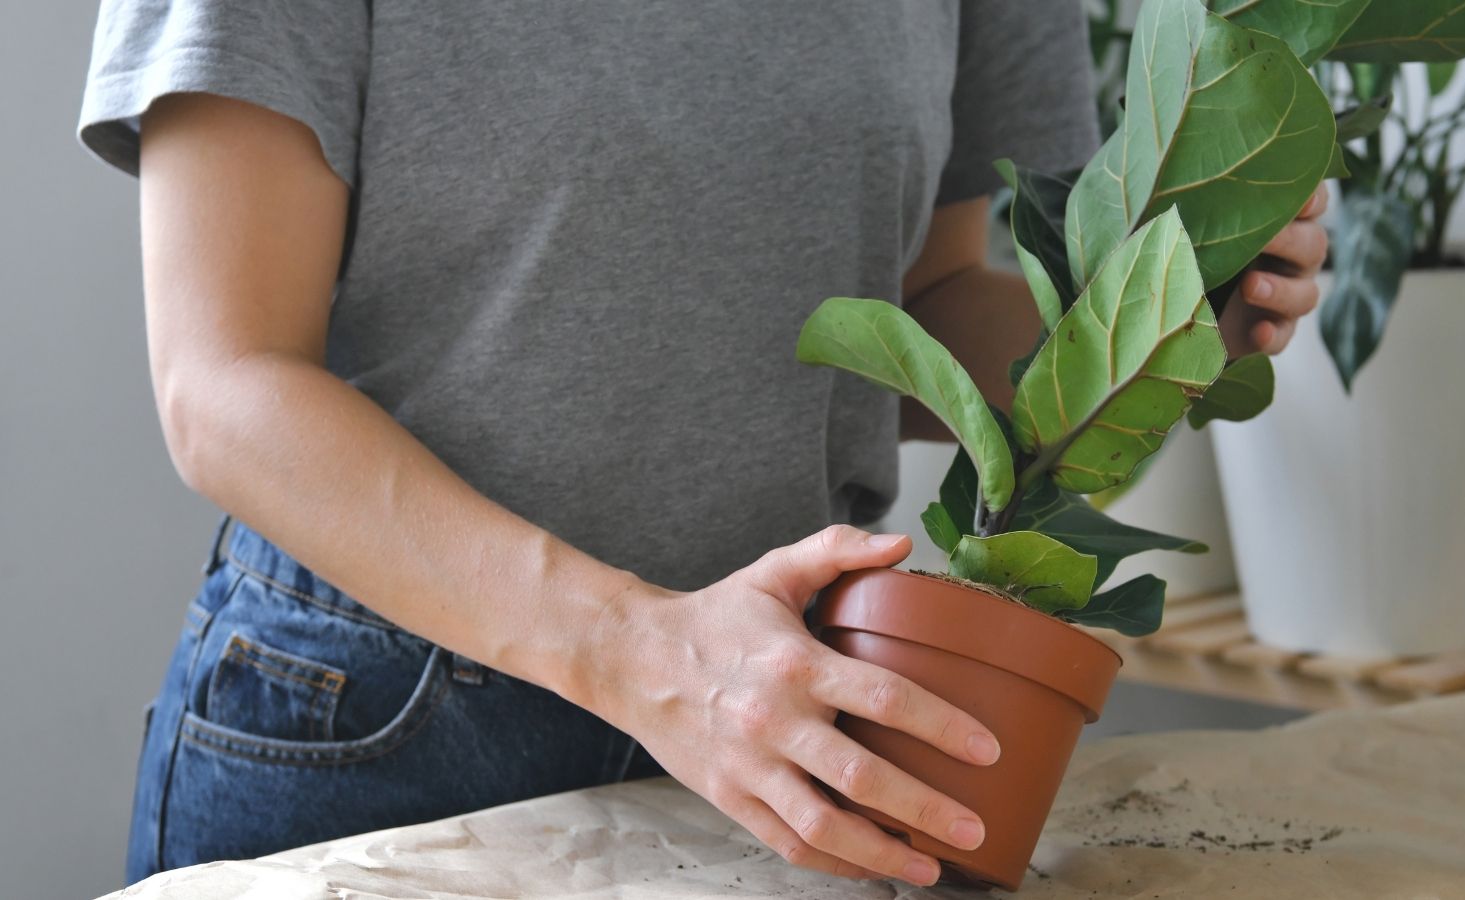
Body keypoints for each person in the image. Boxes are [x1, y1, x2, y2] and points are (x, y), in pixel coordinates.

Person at [78, 0, 1329, 887]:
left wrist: (1169, 313)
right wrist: (644, 654)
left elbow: (926, 305)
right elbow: (225, 384)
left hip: (783, 713)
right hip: (389, 723)